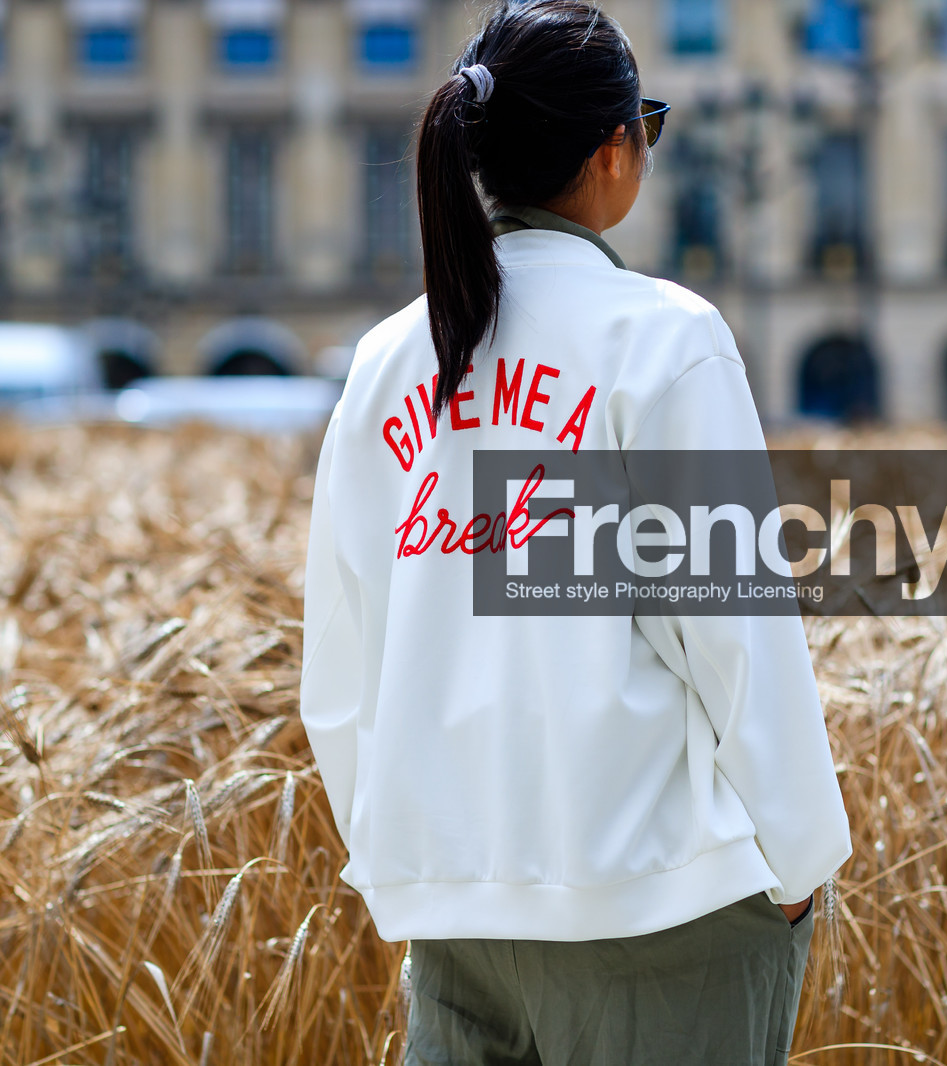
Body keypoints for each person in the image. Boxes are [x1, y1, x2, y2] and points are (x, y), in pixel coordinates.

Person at [299, 1, 852, 1062]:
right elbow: (735, 632)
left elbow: (340, 665)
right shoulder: (663, 338)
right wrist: (797, 863)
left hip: (460, 911)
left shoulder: (383, 365)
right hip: (664, 905)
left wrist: (401, 857)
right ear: (615, 151)